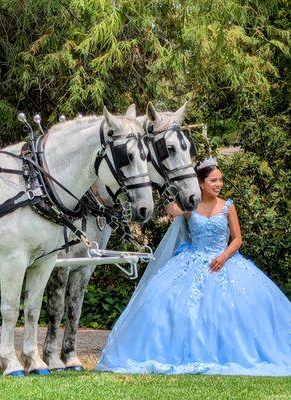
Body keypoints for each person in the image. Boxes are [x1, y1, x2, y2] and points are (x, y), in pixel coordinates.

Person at [95, 157, 291, 376]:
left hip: (223, 260)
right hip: (192, 259)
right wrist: (169, 187)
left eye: (220, 180)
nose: (218, 184)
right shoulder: (190, 208)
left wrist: (223, 256)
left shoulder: (228, 207)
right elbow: (170, 209)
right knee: (171, 305)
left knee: (234, 310)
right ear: (201, 183)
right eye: (213, 180)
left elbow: (238, 239)